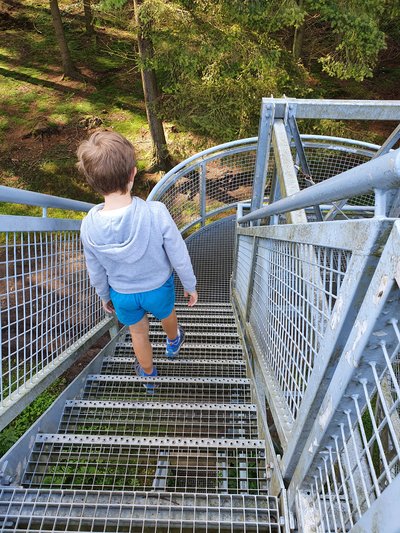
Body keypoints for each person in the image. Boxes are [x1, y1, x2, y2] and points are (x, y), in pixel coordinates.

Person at [77, 131, 198, 393]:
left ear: (92, 182)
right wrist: (189, 284)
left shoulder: (88, 225)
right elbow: (178, 252)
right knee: (167, 314)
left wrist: (104, 295)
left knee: (138, 333)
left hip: (122, 294)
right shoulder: (155, 212)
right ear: (133, 173)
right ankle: (173, 341)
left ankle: (149, 376)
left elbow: (94, 268)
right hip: (158, 287)